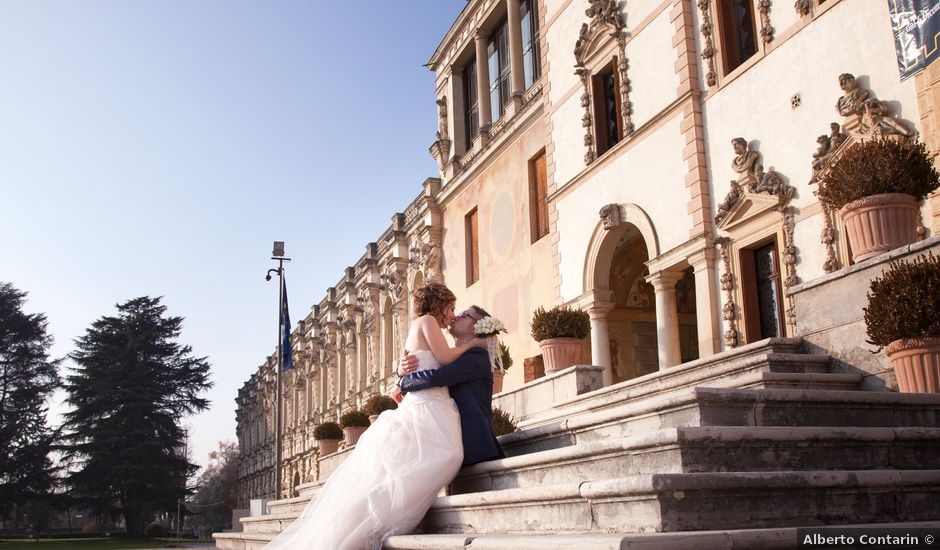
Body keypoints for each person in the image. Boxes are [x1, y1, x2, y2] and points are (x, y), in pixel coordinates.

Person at [263, 282, 484, 550]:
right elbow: (445, 360)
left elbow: (431, 363)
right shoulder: (428, 322)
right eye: (450, 308)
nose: (452, 314)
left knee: (428, 460)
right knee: (443, 456)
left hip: (432, 406)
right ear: (438, 305)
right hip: (426, 407)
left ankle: (390, 508)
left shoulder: (429, 328)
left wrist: (402, 375)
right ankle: (386, 513)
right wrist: (474, 344)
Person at [396, 305, 506, 466]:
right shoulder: (447, 356)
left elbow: (437, 378)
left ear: (476, 329)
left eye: (465, 315)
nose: (455, 317)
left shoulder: (477, 356)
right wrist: (401, 371)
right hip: (449, 442)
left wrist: (403, 383)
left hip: (475, 446)